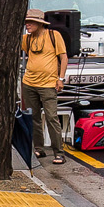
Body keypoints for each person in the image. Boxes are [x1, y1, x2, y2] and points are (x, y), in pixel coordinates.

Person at [21, 9, 69, 165]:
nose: (27, 25)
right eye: (26, 22)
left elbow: (63, 57)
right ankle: (39, 148)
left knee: (51, 117)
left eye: (30, 22)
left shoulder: (54, 36)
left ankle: (59, 152)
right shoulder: (26, 39)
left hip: (48, 84)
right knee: (33, 117)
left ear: (39, 23)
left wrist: (60, 78)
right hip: (29, 83)